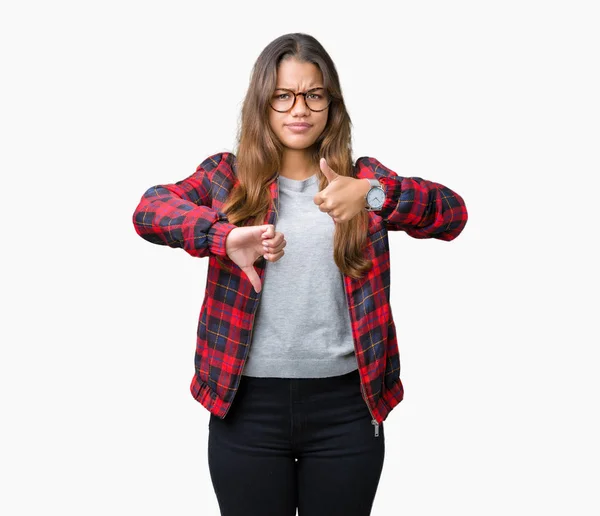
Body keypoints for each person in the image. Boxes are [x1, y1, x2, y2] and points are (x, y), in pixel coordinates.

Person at [132, 32, 468, 516]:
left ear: (331, 103)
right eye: (283, 96)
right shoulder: (226, 178)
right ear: (263, 103)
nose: (299, 109)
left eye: (314, 95)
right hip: (246, 408)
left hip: (346, 410)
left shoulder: (360, 178)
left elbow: (452, 214)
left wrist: (372, 194)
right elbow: (149, 211)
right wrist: (220, 236)